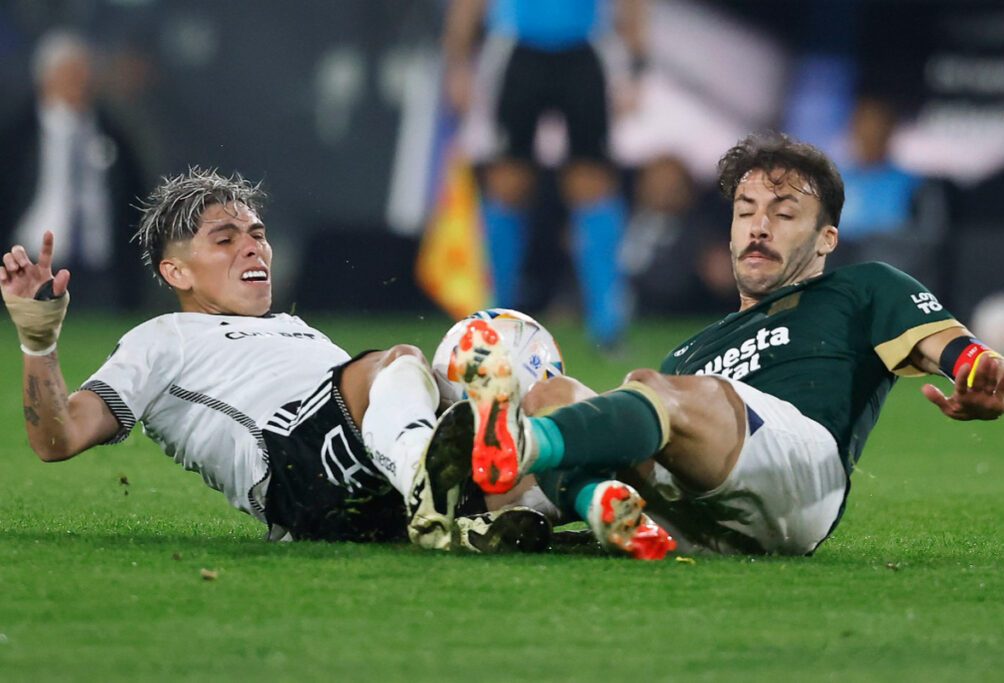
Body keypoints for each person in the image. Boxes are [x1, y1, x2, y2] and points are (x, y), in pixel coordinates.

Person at [418, 131, 1004, 559]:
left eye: (784, 213)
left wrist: (988, 375)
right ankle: (548, 502)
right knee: (556, 391)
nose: (759, 226)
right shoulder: (689, 355)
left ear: (827, 237)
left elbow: (961, 352)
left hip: (801, 476)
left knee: (652, 391)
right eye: (746, 211)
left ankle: (530, 454)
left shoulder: (861, 289)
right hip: (695, 517)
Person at [1, 168, 548, 552]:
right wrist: (38, 341)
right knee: (400, 360)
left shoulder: (295, 330)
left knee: (557, 403)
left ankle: (594, 503)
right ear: (177, 273)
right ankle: (429, 488)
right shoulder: (161, 338)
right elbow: (58, 438)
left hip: (369, 480)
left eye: (258, 235)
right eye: (226, 239)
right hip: (297, 464)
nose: (254, 248)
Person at [443, 0, 648, 348]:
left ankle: (607, 323)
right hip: (516, 45)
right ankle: (493, 317)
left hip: (584, 47)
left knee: (591, 181)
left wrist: (636, 65)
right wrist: (458, 63)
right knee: (508, 182)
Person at [0, 28, 149, 310]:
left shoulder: (115, 133)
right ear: (46, 77)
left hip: (99, 268)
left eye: (83, 72)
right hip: (31, 261)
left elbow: (133, 196)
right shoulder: (15, 137)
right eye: (69, 72)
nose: (79, 82)